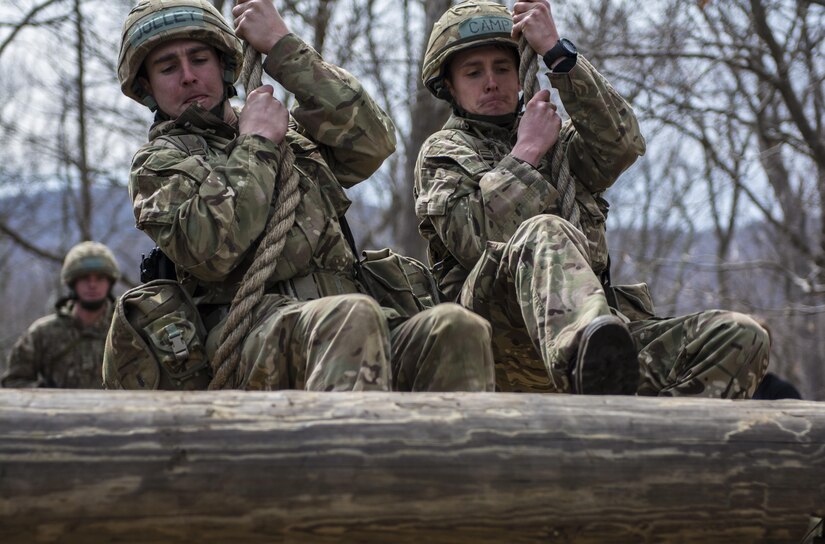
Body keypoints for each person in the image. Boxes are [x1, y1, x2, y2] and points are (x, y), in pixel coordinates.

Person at [107, 0, 494, 392]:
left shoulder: (290, 137)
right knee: (350, 317)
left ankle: (455, 451)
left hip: (357, 317)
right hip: (255, 338)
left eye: (199, 59)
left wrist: (281, 45)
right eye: (168, 68)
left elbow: (373, 141)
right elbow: (210, 249)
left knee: (455, 328)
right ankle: (345, 451)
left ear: (224, 66)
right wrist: (255, 143)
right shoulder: (158, 165)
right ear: (147, 87)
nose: (188, 76)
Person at [414, 0, 770, 396]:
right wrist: (525, 154)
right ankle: (585, 356)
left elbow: (622, 144)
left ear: (518, 73)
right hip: (498, 341)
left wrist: (558, 55)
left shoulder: (557, 140)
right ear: (449, 86)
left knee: (740, 335)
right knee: (545, 229)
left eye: (502, 67)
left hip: (605, 348)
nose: (491, 82)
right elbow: (475, 241)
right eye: (473, 72)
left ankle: (644, 436)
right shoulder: (443, 151)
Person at [2, 241, 120, 388]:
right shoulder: (44, 333)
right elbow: (13, 382)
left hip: (116, 409)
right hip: (56, 410)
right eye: (85, 278)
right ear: (72, 283)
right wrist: (44, 396)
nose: (92, 285)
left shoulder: (125, 329)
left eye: (100, 278)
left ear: (110, 283)